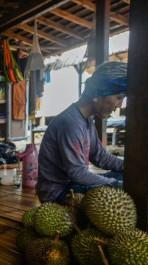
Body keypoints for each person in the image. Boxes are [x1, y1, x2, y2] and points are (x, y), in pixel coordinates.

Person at [37, 61, 127, 203]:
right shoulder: (71, 123)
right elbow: (77, 173)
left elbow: (100, 157)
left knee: (127, 176)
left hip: (74, 185)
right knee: (123, 184)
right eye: (119, 97)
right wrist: (115, 185)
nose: (119, 105)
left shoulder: (86, 120)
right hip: (58, 193)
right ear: (100, 92)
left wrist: (129, 166)